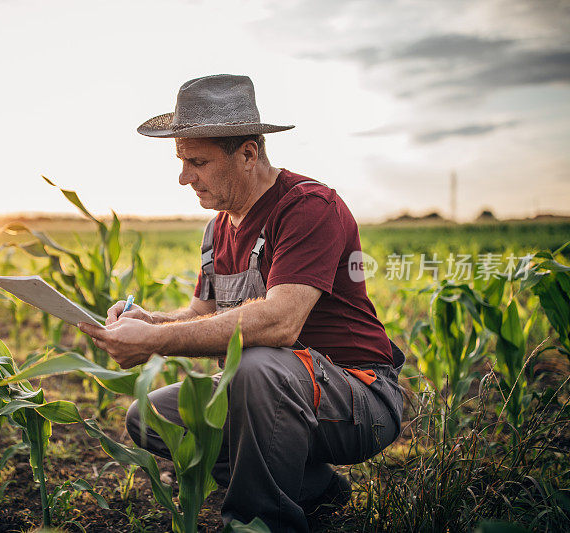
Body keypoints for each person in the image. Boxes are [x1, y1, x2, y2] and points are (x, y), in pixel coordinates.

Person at [78, 74, 405, 532]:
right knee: (150, 416)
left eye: (198, 162)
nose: (183, 177)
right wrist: (147, 320)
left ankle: (258, 524)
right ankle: (314, 490)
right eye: (181, 161)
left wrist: (156, 340)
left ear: (248, 154)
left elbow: (280, 323)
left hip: (358, 398)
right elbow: (201, 315)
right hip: (272, 392)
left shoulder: (307, 207)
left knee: (258, 367)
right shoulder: (217, 229)